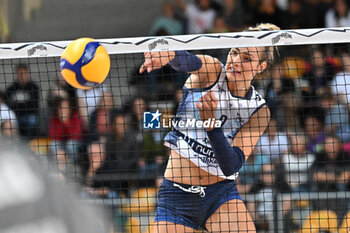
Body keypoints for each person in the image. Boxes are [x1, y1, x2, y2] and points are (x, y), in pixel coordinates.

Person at [139, 23, 279, 232]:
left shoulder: (259, 111)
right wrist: (170, 55)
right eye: (234, 53)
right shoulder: (213, 71)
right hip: (177, 196)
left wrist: (211, 125)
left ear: (261, 67)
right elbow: (190, 61)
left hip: (220, 197)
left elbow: (231, 165)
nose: (235, 62)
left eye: (247, 58)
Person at [5, 63, 40, 139]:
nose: (21, 76)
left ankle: (28, 142)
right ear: (16, 74)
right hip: (15, 117)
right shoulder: (11, 89)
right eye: (19, 73)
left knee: (32, 120)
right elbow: (8, 106)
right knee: (8, 124)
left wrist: (17, 104)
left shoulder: (33, 87)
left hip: (29, 116)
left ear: (27, 74)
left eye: (23, 73)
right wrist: (25, 104)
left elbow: (34, 106)